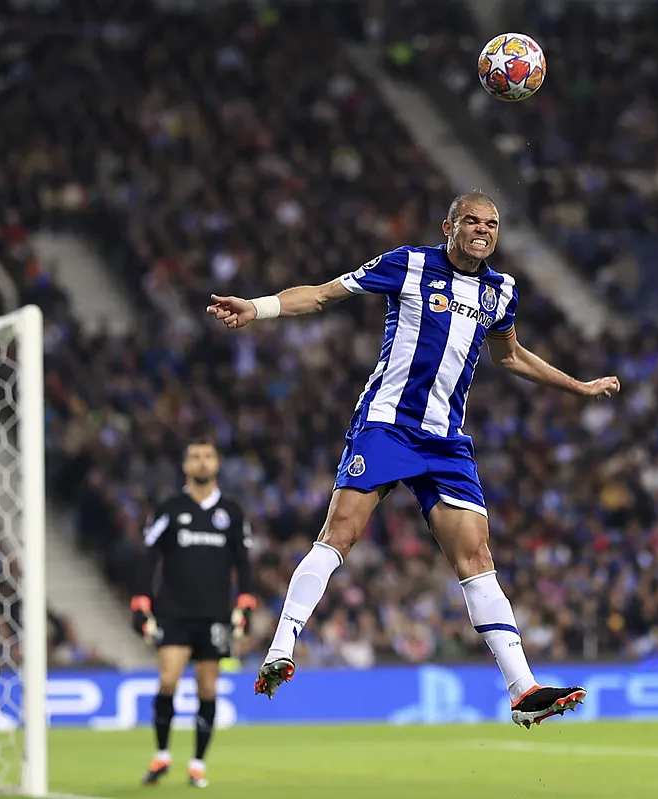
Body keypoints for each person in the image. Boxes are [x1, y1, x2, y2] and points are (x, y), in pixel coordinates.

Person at [206, 192, 621, 728]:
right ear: (448, 226)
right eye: (471, 220)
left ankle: (522, 691)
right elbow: (323, 296)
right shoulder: (408, 264)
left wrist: (578, 386)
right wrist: (258, 307)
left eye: (492, 223)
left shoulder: (501, 291)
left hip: (446, 441)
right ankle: (281, 646)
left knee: (476, 556)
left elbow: (509, 354)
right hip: (387, 425)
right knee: (341, 534)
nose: (483, 229)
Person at [130, 438, 256, 786]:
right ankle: (161, 756)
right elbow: (149, 557)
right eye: (195, 457)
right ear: (185, 466)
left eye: (208, 456)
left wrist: (245, 601)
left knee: (207, 689)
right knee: (168, 680)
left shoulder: (231, 513)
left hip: (215, 613)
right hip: (173, 610)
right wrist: (141, 601)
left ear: (216, 464)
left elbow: (243, 563)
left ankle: (198, 763)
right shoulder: (169, 508)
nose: (202, 463)